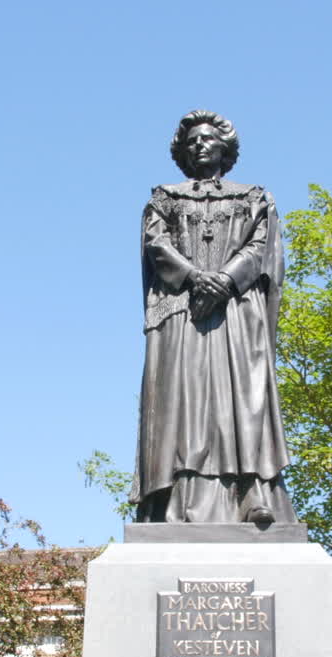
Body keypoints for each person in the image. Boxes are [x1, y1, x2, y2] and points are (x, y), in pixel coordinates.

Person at [130, 110, 296, 524]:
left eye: (207, 139)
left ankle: (253, 492)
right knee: (181, 403)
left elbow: (262, 247)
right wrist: (195, 279)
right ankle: (178, 502)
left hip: (237, 311)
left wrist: (224, 279)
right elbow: (157, 246)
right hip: (182, 311)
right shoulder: (164, 198)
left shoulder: (253, 197)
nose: (199, 145)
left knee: (243, 399)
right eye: (192, 142)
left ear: (226, 148)